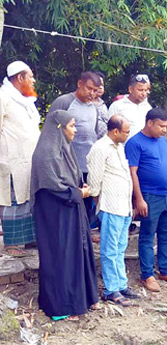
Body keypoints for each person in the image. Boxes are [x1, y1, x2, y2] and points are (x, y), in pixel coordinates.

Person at [30, 110, 98, 321]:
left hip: (70, 211)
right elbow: (53, 187)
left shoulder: (64, 149)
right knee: (61, 256)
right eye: (71, 126)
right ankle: (62, 306)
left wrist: (80, 186)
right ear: (59, 128)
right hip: (55, 215)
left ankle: (83, 298)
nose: (75, 130)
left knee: (78, 252)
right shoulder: (46, 154)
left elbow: (71, 179)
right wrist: (78, 193)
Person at [125, 108, 167, 292]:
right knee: (147, 236)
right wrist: (139, 199)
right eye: (161, 126)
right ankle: (147, 275)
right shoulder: (135, 143)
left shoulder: (162, 142)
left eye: (166, 126)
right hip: (150, 196)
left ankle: (165, 270)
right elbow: (132, 172)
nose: (164, 130)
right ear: (149, 123)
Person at [86, 115, 137, 306]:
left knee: (120, 247)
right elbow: (94, 180)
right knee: (109, 249)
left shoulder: (119, 147)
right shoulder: (100, 148)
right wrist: (99, 203)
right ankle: (111, 289)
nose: (128, 135)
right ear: (115, 131)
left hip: (123, 207)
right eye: (126, 131)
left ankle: (121, 284)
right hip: (110, 206)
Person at [48, 71, 103, 232]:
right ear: (79, 84)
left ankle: (84, 232)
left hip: (87, 165)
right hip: (68, 165)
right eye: (89, 88)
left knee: (86, 202)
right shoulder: (64, 102)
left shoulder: (94, 107)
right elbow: (51, 133)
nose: (92, 93)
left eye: (95, 90)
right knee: (69, 200)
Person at [0, 61, 41, 257]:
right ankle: (11, 244)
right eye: (30, 76)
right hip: (11, 160)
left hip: (29, 160)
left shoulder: (25, 100)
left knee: (28, 199)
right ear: (20, 78)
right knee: (13, 201)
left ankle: (28, 239)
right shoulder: (3, 97)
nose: (33, 80)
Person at [108, 74, 152, 139]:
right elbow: (110, 132)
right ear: (130, 89)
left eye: (146, 90)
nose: (144, 94)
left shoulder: (148, 108)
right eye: (140, 90)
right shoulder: (117, 106)